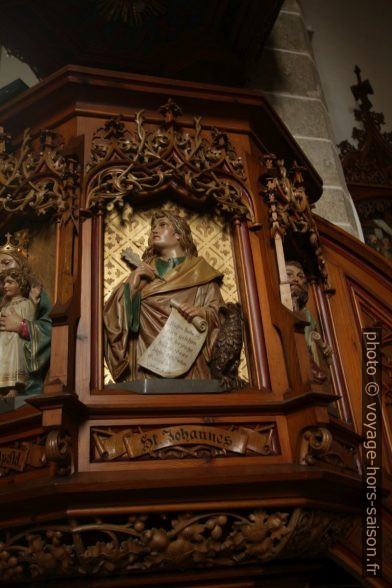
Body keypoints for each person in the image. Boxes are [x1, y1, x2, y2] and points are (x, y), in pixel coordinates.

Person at [104, 211, 224, 381]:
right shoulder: (143, 273)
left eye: (162, 225)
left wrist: (201, 312)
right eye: (153, 227)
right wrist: (132, 283)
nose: (154, 230)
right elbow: (111, 317)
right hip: (145, 362)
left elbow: (218, 313)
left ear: (178, 235)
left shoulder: (201, 271)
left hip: (188, 359)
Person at [0, 242, 52, 396]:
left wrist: (23, 326)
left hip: (21, 360)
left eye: (6, 263)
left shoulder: (34, 295)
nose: (1, 269)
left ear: (21, 265)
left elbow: (53, 328)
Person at [285, 260, 332, 384]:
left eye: (300, 277)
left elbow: (313, 338)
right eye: (289, 274)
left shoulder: (308, 314)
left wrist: (324, 349)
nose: (296, 279)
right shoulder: (280, 307)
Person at [0, 270, 37, 397]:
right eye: (4, 283)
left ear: (20, 285)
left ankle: (14, 389)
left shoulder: (25, 303)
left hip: (17, 340)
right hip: (3, 340)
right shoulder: (5, 306)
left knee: (14, 361)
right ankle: (3, 388)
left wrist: (20, 325)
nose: (5, 286)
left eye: (9, 282)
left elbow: (30, 321)